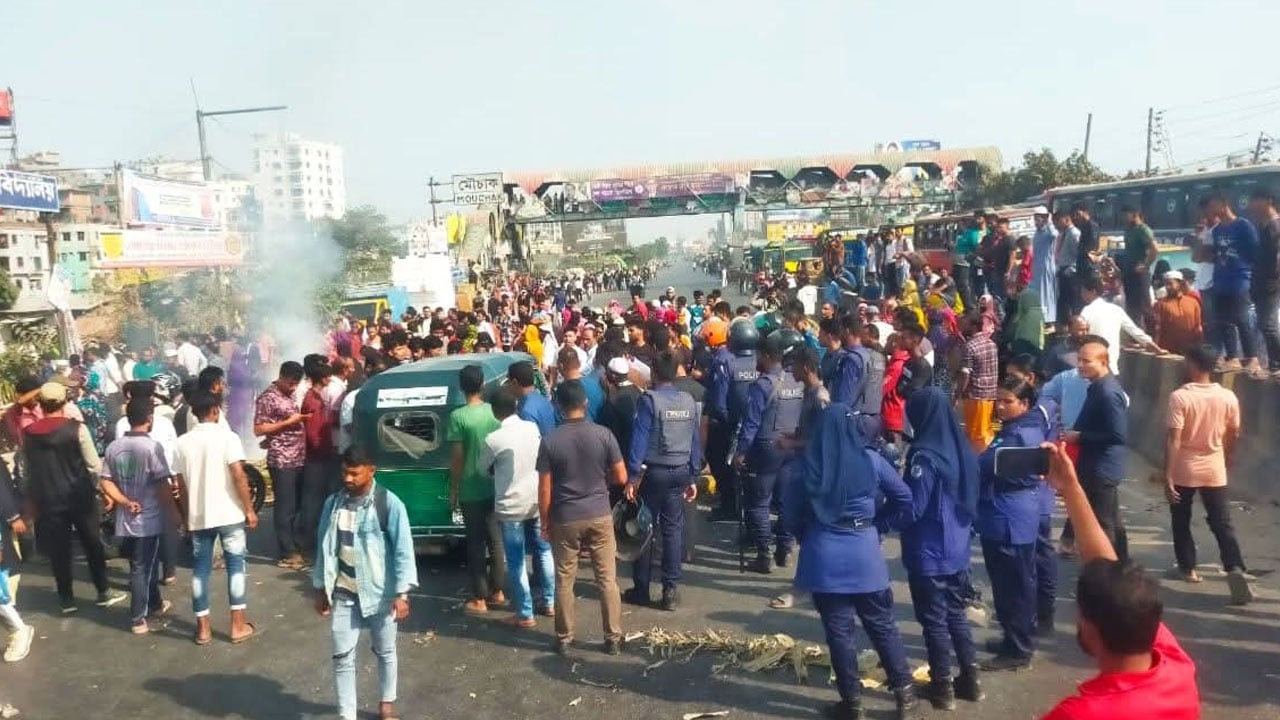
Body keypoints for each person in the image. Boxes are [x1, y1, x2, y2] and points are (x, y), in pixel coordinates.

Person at [1038, 442, 1200, 720]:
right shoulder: (1176, 669)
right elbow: (1103, 568)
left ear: (1089, 630)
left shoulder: (1080, 713)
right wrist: (1070, 487)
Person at [782, 403, 917, 720]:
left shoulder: (806, 466)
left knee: (839, 632)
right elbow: (904, 497)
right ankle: (905, 696)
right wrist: (878, 524)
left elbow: (789, 515)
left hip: (824, 551)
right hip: (864, 550)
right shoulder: (870, 460)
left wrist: (809, 534)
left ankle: (852, 703)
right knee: (882, 625)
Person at [894, 388, 983, 709]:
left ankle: (942, 686)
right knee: (955, 614)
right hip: (957, 547)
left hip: (929, 550)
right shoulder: (961, 450)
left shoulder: (924, 456)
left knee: (933, 620)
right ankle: (971, 680)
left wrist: (889, 511)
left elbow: (914, 507)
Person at [313, 448, 417, 720]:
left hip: (381, 595)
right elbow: (324, 547)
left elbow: (404, 550)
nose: (347, 478)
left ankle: (386, 704)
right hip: (344, 594)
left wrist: (402, 593)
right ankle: (347, 715)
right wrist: (320, 589)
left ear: (371, 470)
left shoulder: (389, 504)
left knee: (385, 651)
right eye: (344, 472)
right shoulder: (333, 504)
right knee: (342, 657)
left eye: (354, 473)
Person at [537, 380, 626, 656]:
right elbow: (622, 477)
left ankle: (564, 637)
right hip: (599, 512)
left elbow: (544, 488)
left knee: (564, 578)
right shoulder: (604, 434)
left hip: (565, 515)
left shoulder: (550, 440)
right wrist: (604, 480)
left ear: (558, 406)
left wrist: (545, 520)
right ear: (585, 403)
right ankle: (613, 637)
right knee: (607, 579)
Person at [20, 382, 124, 613]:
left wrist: (32, 500)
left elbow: (27, 471)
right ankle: (103, 591)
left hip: (48, 499)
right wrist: (103, 490)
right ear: (64, 402)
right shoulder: (76, 429)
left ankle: (66, 599)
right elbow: (94, 466)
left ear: (41, 404)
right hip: (79, 496)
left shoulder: (28, 434)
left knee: (59, 549)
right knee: (92, 543)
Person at [1163, 344, 1254, 604]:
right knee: (1221, 521)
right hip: (1214, 466)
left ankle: (1188, 567)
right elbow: (1234, 433)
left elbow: (1174, 440)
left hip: (1184, 466)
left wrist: (1168, 475)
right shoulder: (1227, 397)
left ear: (1192, 364)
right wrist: (1227, 457)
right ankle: (1234, 566)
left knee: (1181, 517)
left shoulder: (1180, 397)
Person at [172, 391, 258, 645]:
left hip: (199, 517)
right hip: (229, 513)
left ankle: (203, 630)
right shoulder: (228, 438)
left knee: (199, 572)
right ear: (215, 411)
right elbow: (238, 475)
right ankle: (237, 626)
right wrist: (249, 509)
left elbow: (181, 485)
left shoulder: (182, 443)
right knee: (236, 567)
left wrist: (186, 516)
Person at [976, 375, 1049, 671]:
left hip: (1009, 519)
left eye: (1008, 401)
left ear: (1025, 403)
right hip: (1007, 516)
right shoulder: (1019, 429)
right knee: (1009, 584)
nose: (1000, 406)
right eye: (999, 400)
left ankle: (1018, 648)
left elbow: (987, 469)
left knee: (1014, 588)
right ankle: (1012, 638)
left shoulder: (1019, 437)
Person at [622, 351, 701, 610]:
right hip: (679, 470)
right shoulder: (688, 401)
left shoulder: (649, 401)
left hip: (653, 473)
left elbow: (639, 441)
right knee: (673, 530)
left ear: (653, 373)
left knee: (644, 528)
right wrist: (693, 474)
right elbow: (694, 439)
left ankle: (642, 588)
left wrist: (632, 477)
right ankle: (670, 589)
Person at [99, 399, 176, 634]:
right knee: (141, 568)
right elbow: (163, 485)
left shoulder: (114, 447)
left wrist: (123, 501)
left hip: (126, 520)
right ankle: (137, 618)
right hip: (148, 520)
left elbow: (105, 481)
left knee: (142, 563)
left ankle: (154, 603)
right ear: (149, 419)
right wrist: (174, 514)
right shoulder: (152, 448)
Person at [480, 388, 553, 627]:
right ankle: (550, 601)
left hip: (510, 506)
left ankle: (525, 613)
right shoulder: (532, 428)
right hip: (536, 500)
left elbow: (482, 469)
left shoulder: (493, 439)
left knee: (517, 560)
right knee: (543, 551)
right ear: (516, 407)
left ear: (494, 412)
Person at [734, 334, 802, 574]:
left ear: (766, 356)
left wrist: (741, 452)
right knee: (784, 500)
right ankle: (785, 549)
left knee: (758, 503)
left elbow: (751, 423)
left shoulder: (761, 385)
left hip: (766, 447)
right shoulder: (796, 382)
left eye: (758, 355)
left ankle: (765, 555)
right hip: (791, 446)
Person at [1064, 336, 1130, 563]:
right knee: (1112, 520)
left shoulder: (1108, 392)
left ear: (1104, 362)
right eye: (1079, 360)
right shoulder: (1097, 386)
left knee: (1104, 524)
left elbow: (1117, 435)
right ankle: (1121, 567)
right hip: (1095, 464)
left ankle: (1108, 573)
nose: (1081, 365)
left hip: (1102, 466)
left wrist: (1079, 436)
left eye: (1087, 361)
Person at [448, 364, 505, 615]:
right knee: (496, 539)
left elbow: (457, 459)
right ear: (482, 385)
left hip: (470, 487)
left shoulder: (457, 417)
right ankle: (499, 590)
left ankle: (479, 596)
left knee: (475, 542)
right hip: (494, 484)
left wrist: (454, 489)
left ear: (461, 387)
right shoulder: (493, 413)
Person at [254, 361, 310, 570]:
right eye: (291, 383)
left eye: (297, 384)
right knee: (285, 507)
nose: (294, 387)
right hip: (282, 459)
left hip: (297, 457)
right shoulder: (268, 398)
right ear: (282, 376)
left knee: (295, 505)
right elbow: (259, 429)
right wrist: (287, 423)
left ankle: (293, 544)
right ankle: (287, 551)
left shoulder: (290, 394)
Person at [708, 320, 759, 521]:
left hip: (729, 425)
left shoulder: (725, 362)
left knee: (720, 462)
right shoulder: (760, 360)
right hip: (755, 426)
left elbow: (719, 402)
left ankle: (729, 506)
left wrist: (730, 425)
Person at [1204, 192, 1262, 373]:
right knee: (1224, 320)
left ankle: (1253, 358)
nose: (1211, 210)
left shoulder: (1243, 226)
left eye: (1213, 205)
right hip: (1221, 279)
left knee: (1242, 318)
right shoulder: (1218, 229)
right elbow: (1211, 254)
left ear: (1224, 204)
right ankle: (1232, 356)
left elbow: (1255, 252)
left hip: (1240, 279)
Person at [1078, 274, 1163, 374]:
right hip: (1111, 367)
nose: (1082, 295)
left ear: (1092, 292)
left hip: (1091, 366)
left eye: (1083, 292)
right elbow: (1134, 331)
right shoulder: (1116, 310)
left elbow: (1079, 335)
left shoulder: (1086, 311)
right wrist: (1154, 346)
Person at [954, 313, 998, 451]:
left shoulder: (970, 346)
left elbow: (965, 374)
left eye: (964, 324)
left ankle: (978, 464)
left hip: (976, 396)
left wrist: (957, 394)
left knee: (976, 435)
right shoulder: (991, 344)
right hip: (990, 395)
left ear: (973, 326)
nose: (961, 327)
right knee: (985, 431)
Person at [1248, 189, 1280, 376]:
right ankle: (1272, 364)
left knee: (1268, 324)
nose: (1252, 205)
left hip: (1270, 282)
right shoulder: (1262, 225)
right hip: (1260, 281)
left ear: (1268, 201)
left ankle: (1276, 363)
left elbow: (1276, 258)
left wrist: (1272, 279)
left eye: (1255, 200)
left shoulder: (1275, 226)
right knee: (1263, 324)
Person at [1119, 207, 1159, 331]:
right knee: (1131, 306)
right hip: (1128, 273)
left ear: (1135, 214)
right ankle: (1136, 335)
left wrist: (1145, 265)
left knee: (1144, 305)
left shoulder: (1143, 230)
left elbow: (1154, 249)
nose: (1123, 218)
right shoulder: (1128, 229)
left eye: (1126, 215)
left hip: (1140, 274)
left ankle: (1152, 334)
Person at [1152, 270, 1202, 355]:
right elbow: (1157, 328)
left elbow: (1198, 327)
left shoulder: (1193, 302)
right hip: (1168, 351)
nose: (1167, 287)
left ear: (1180, 283)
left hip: (1190, 350)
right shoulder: (1160, 304)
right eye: (1166, 284)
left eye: (1170, 283)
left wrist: (1199, 347)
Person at [507, 361, 555, 437]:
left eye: (508, 381)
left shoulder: (525, 410)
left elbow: (530, 441)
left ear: (514, 382)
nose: (507, 386)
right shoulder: (543, 400)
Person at [1030, 206, 1059, 324]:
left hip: (1046, 267)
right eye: (1035, 218)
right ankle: (1041, 317)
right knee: (1037, 293)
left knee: (1046, 293)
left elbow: (1055, 235)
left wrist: (1049, 222)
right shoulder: (1037, 233)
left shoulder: (1049, 232)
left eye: (1039, 218)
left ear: (1045, 218)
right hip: (1037, 268)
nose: (1037, 221)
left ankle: (1049, 318)